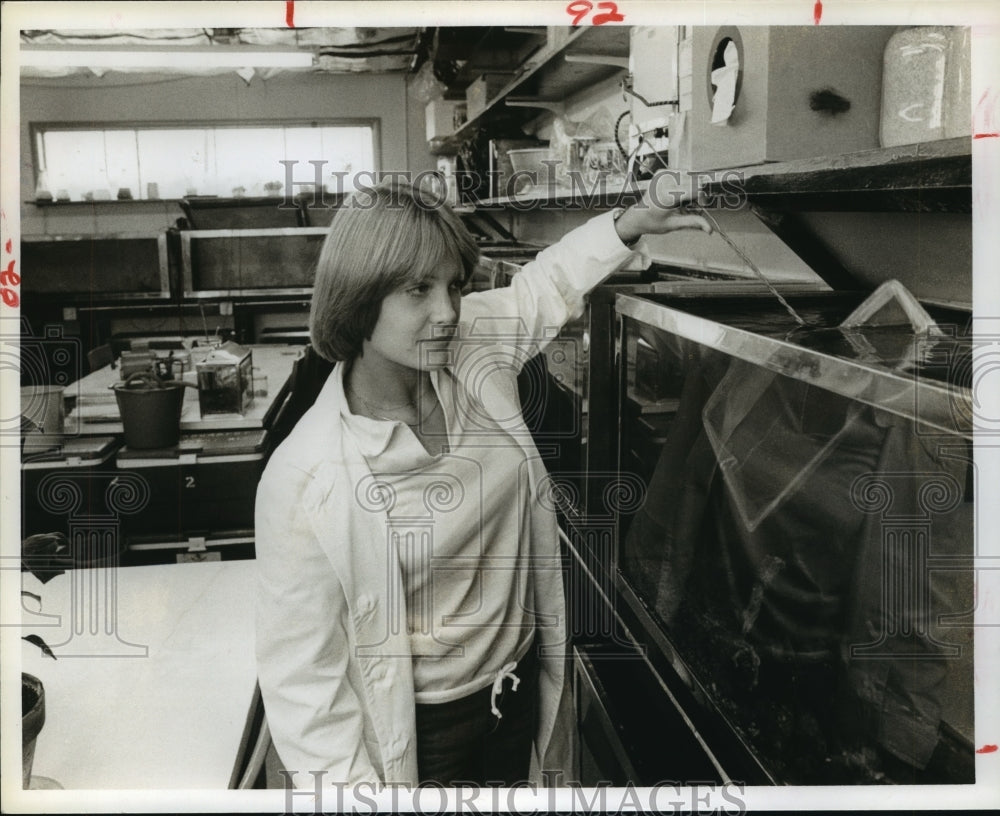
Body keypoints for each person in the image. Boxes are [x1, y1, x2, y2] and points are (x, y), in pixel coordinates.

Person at [254, 173, 711, 788]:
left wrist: (628, 224)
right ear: (358, 301)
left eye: (455, 285)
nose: (447, 312)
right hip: (426, 731)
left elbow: (541, 288)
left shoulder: (469, 351)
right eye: (418, 290)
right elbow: (304, 686)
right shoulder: (304, 478)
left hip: (515, 691)